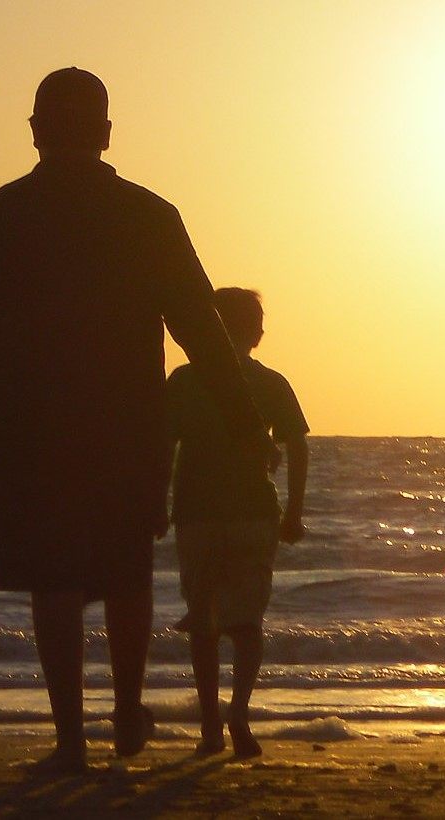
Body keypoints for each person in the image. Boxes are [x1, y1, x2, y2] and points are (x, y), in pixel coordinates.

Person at [0, 68, 267, 773]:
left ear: (35, 131)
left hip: (35, 426)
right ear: (106, 133)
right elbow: (200, 327)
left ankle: (69, 738)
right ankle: (126, 706)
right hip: (128, 424)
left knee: (52, 578)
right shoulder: (148, 214)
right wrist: (244, 420)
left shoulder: (2, 213)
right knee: (126, 571)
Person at [168, 287, 309, 758]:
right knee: (244, 621)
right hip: (248, 513)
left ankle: (215, 721)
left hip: (200, 513)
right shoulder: (269, 382)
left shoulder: (186, 380)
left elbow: (160, 445)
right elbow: (298, 446)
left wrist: (150, 502)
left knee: (205, 620)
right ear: (257, 332)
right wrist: (294, 510)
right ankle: (236, 716)